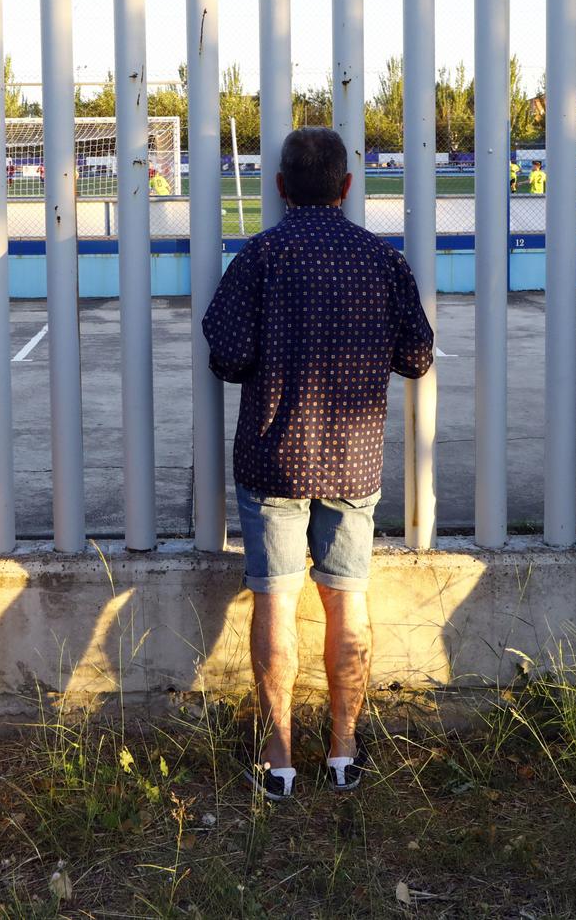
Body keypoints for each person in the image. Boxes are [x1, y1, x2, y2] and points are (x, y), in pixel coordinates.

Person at [202, 126, 434, 800]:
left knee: (275, 600)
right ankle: (343, 750)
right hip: (352, 461)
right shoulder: (379, 260)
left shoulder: (260, 256)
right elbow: (417, 356)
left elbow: (227, 356)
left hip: (274, 458)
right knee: (347, 601)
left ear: (279, 188)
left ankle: (278, 759)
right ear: (346, 187)